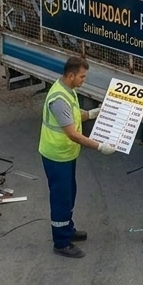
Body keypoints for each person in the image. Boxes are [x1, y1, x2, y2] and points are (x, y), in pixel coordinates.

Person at [40, 57, 115, 258]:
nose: (84, 80)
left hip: (65, 155)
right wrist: (100, 146)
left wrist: (91, 114)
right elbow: (72, 133)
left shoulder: (67, 90)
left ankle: (67, 229)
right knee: (61, 198)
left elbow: (73, 115)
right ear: (71, 75)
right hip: (57, 156)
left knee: (69, 193)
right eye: (82, 76)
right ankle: (61, 242)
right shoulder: (59, 99)